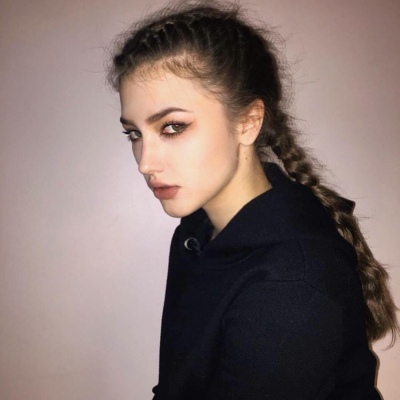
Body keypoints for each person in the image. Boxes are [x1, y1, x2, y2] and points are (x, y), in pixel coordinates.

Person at [107, 1, 399, 398]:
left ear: (248, 122)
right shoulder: (196, 232)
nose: (145, 162)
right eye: (134, 134)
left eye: (172, 127)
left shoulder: (290, 282)